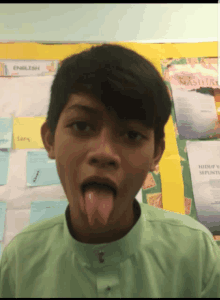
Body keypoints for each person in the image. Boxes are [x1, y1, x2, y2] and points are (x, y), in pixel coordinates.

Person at [1, 44, 220, 298]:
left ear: (156, 153)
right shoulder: (20, 260)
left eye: (131, 134)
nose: (104, 153)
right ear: (49, 139)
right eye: (82, 126)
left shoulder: (196, 253)